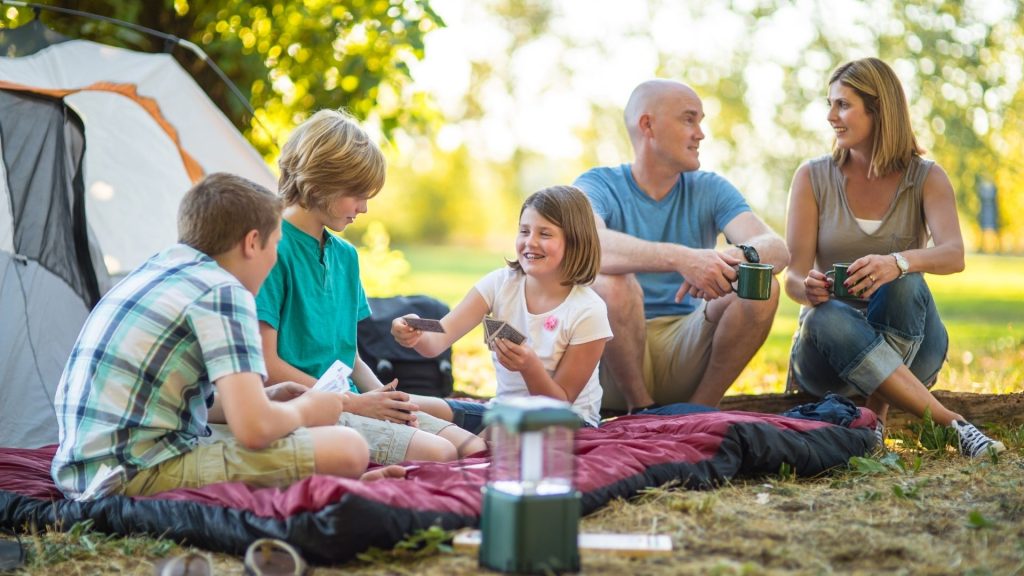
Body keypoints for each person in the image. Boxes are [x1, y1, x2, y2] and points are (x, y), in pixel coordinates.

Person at [52, 173, 398, 501]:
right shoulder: (223, 293)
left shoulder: (160, 269)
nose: (276, 257)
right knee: (348, 447)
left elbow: (170, 404)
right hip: (130, 475)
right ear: (251, 242)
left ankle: (325, 484)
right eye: (276, 245)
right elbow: (254, 429)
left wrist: (272, 397)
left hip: (85, 466)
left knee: (294, 436)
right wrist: (308, 408)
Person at [784, 57, 1005, 457]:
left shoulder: (927, 177)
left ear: (879, 109)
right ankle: (952, 423)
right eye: (830, 103)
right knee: (823, 314)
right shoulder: (812, 177)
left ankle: (877, 411)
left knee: (905, 282)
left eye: (843, 105)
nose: (830, 116)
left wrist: (897, 262)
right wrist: (807, 288)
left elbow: (954, 255)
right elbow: (793, 277)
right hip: (829, 355)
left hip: (914, 346)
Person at [256, 109, 486, 465]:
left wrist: (383, 398)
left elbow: (348, 355)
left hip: (353, 400)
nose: (363, 208)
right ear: (320, 180)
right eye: (356, 195)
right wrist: (356, 404)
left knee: (473, 446)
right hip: (304, 408)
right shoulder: (273, 249)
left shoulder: (345, 256)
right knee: (440, 454)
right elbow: (268, 366)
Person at [573, 79, 790, 414]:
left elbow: (776, 249)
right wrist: (682, 258)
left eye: (700, 121)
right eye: (689, 119)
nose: (700, 133)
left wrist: (727, 258)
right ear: (648, 125)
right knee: (611, 282)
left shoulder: (710, 188)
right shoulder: (597, 184)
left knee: (761, 285)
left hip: (686, 346)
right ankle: (641, 410)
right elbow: (589, 245)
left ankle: (698, 411)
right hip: (610, 360)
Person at [391, 185, 612, 431]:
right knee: (403, 404)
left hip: (565, 423)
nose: (530, 242)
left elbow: (560, 403)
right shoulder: (500, 283)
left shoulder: (589, 311)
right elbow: (438, 338)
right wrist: (415, 330)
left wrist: (530, 367)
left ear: (575, 240)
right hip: (502, 412)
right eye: (524, 231)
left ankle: (470, 447)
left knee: (492, 434)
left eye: (545, 234)